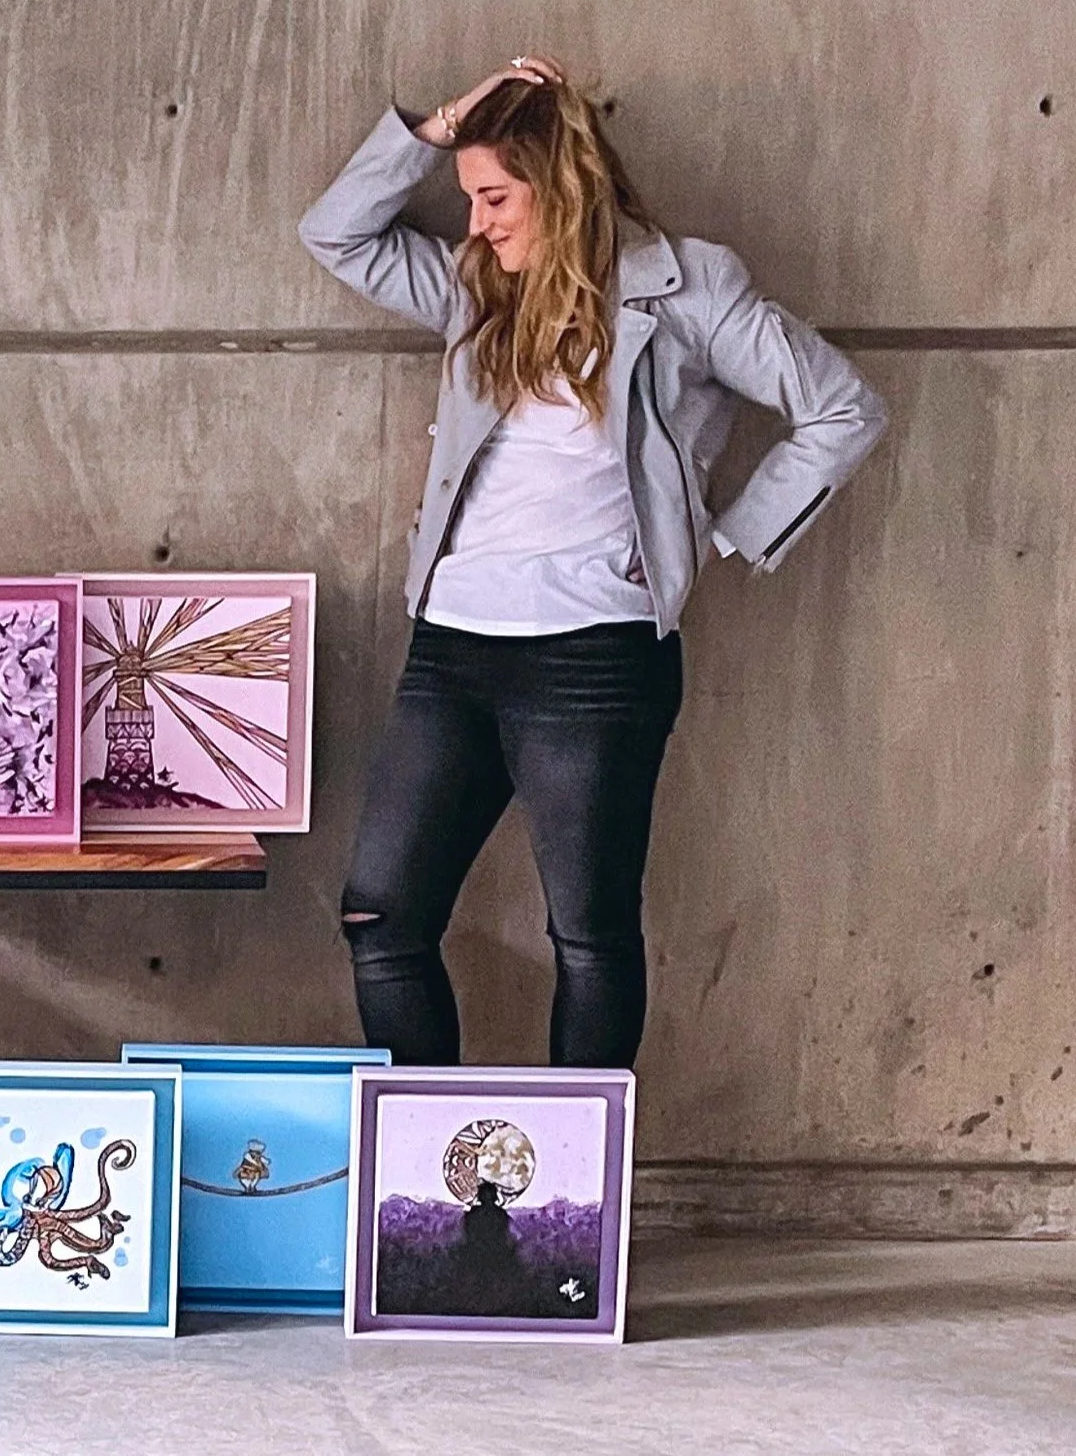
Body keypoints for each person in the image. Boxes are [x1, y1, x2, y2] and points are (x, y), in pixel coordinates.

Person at [299, 57, 886, 1068]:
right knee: (380, 920)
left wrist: (715, 535)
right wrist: (438, 130)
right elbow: (335, 233)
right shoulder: (472, 287)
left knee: (586, 937)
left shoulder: (687, 288)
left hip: (594, 660)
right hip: (451, 646)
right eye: (467, 198)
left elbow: (841, 408)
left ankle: (576, 1210)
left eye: (494, 196)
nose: (475, 222)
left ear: (560, 181)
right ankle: (432, 1191)